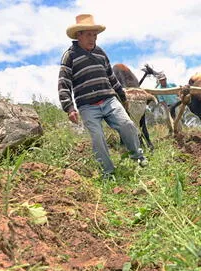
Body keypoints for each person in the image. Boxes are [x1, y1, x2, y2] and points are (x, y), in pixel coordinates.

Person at [58, 14, 147, 177]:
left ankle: (138, 155)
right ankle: (108, 172)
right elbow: (64, 82)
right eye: (89, 35)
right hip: (87, 106)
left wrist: (122, 95)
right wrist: (69, 107)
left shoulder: (100, 53)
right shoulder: (69, 56)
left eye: (95, 35)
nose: (93, 39)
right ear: (79, 35)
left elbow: (111, 76)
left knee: (127, 124)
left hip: (108, 99)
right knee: (97, 137)